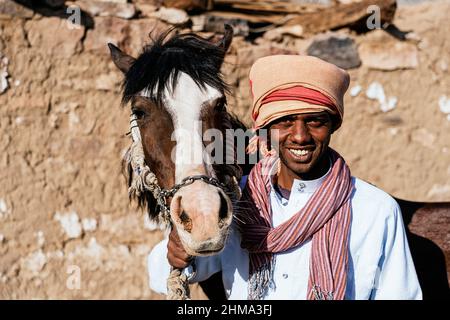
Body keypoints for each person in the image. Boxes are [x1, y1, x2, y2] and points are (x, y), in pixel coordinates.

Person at [147, 55, 422, 300]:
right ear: (265, 128)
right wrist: (175, 251)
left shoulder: (375, 210)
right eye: (285, 121)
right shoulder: (237, 202)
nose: (300, 136)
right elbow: (164, 276)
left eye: (315, 121)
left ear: (333, 126)